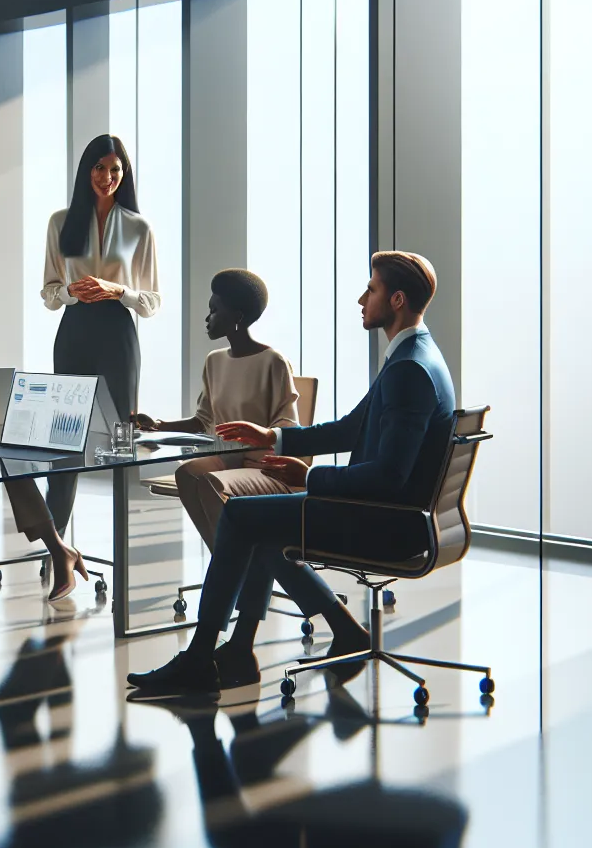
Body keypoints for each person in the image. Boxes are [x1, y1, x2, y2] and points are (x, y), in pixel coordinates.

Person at [126, 252, 455, 693]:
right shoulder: (414, 357)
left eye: (371, 289)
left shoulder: (409, 369)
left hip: (386, 523)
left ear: (396, 300)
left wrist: (309, 479)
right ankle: (241, 650)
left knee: (243, 515)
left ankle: (202, 658)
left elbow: (389, 477)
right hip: (388, 514)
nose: (361, 298)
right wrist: (273, 438)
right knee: (254, 518)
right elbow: (349, 429)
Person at [39, 134, 162, 540]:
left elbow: (151, 302)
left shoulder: (139, 228)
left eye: (115, 169)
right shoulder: (60, 221)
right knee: (64, 438)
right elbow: (49, 293)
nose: (106, 177)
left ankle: (123, 542)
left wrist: (116, 290)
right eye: (98, 168)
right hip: (73, 331)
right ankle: (56, 545)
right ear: (86, 171)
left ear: (124, 174)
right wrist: (71, 292)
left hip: (117, 334)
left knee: (119, 437)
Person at [132, 269, 304, 546]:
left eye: (214, 310)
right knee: (187, 474)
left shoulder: (273, 361)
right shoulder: (215, 361)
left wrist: (259, 449)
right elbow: (203, 420)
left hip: (262, 466)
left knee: (210, 481)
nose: (207, 317)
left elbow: (287, 426)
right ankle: (225, 555)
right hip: (226, 459)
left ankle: (231, 559)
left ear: (237, 316)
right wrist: (158, 426)